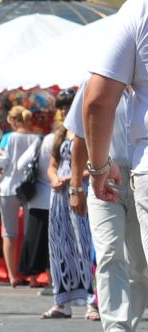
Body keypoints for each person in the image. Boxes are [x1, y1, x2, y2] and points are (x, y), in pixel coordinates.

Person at [67, 79, 144, 332]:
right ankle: (116, 329)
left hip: (140, 177)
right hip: (102, 176)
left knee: (142, 265)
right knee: (109, 252)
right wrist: (76, 187)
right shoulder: (94, 85)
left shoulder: (143, 86)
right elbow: (78, 138)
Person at [41, 106, 95, 320]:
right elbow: (52, 165)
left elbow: (94, 164)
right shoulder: (61, 133)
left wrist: (75, 178)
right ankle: (62, 301)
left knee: (85, 243)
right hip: (59, 195)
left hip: (80, 189)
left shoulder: (88, 129)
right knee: (60, 245)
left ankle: (93, 301)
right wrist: (54, 178)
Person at [0, 106, 46, 287]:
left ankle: (12, 275)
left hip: (8, 188)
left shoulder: (7, 138)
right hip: (30, 189)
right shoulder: (37, 138)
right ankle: (32, 276)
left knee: (9, 233)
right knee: (30, 233)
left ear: (13, 121)